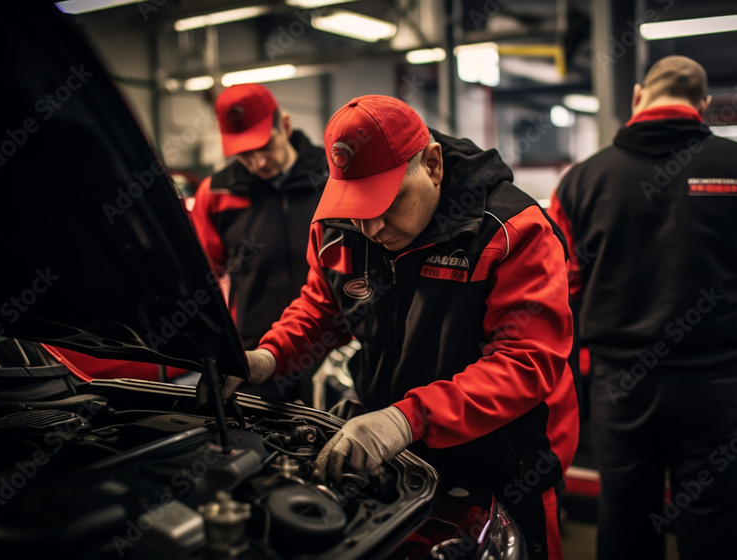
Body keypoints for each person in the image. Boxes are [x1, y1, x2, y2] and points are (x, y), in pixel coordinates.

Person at [200, 94, 580, 560]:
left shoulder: (511, 231)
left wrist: (407, 418)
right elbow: (323, 308)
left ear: (433, 165)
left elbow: (525, 362)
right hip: (396, 452)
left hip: (505, 460)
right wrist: (268, 356)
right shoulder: (339, 229)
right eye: (359, 206)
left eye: (390, 201)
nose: (373, 227)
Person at [547, 55, 737, 560]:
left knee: (626, 520)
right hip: (713, 384)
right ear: (703, 104)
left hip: (621, 386)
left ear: (638, 96)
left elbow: (566, 283)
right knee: (715, 526)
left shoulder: (581, 180)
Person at [190, 83, 327, 402]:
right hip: (257, 356)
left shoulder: (332, 178)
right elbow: (202, 279)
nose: (259, 162)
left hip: (329, 350)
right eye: (245, 153)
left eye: (265, 146)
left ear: (286, 126)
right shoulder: (217, 194)